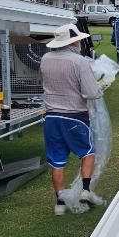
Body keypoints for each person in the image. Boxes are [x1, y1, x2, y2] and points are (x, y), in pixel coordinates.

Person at [40, 23, 105, 216]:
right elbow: (91, 92)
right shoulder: (79, 61)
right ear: (73, 41)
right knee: (87, 152)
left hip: (51, 117)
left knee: (57, 161)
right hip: (75, 116)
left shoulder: (45, 59)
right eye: (77, 39)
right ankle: (85, 190)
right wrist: (100, 86)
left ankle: (59, 203)